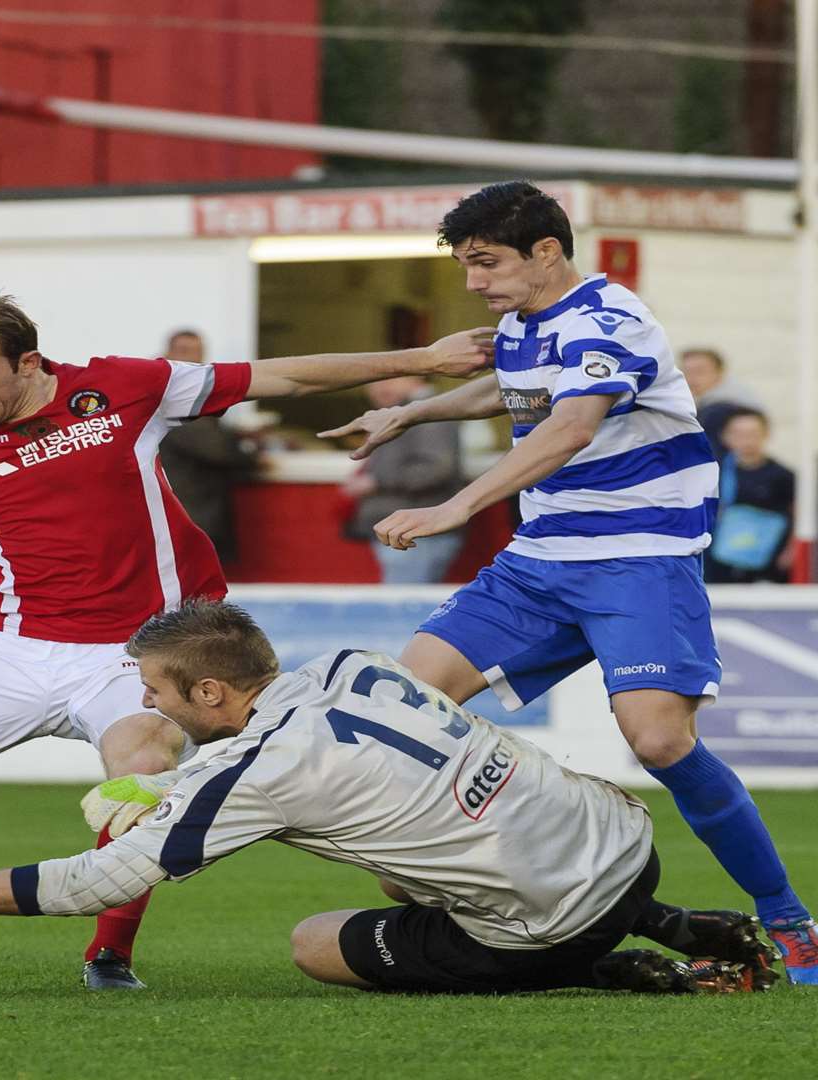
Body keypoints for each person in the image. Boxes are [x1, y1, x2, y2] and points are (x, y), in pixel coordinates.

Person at [0, 288, 494, 990]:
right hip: (5, 644)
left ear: (29, 361)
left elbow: (276, 375)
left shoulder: (125, 388)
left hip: (142, 647)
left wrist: (424, 355)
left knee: (140, 778)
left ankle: (109, 954)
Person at [319, 180, 816, 983]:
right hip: (539, 561)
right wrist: (408, 414)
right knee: (397, 714)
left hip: (640, 560)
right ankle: (506, 888)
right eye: (467, 266)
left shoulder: (610, 319)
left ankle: (790, 916)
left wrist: (457, 504)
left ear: (546, 251)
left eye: (486, 263)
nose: (474, 283)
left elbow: (570, 422)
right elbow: (517, 388)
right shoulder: (524, 323)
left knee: (659, 741)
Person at [0, 602, 782, 996]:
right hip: (621, 839)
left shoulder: (256, 774)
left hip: (555, 917)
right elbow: (307, 766)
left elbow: (93, 882)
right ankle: (672, 922)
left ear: (210, 694)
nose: (143, 705)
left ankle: (603, 971)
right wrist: (162, 782)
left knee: (317, 943)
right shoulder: (346, 665)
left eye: (154, 691)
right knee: (400, 852)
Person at [338, 375, 464, 583]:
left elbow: (437, 468)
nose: (379, 387)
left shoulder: (429, 413)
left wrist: (376, 481)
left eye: (391, 378)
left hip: (416, 530)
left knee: (406, 608)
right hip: (405, 529)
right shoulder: (404, 413)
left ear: (417, 379)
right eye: (374, 381)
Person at [156, 329, 259, 561]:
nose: (192, 360)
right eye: (184, 352)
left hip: (182, 512)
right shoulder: (174, 396)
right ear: (167, 353)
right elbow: (216, 449)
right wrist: (253, 456)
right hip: (189, 513)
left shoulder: (168, 392)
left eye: (197, 353)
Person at [703, 409, 795, 584]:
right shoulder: (714, 472)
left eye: (753, 433)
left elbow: (796, 513)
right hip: (721, 556)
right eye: (739, 434)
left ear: (766, 434)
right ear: (725, 437)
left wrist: (790, 551)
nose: (746, 440)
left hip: (768, 558)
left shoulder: (783, 475)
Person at [678, 347, 762, 457]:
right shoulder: (705, 401)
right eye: (687, 372)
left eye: (699, 371)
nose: (691, 378)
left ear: (719, 372)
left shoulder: (723, 407)